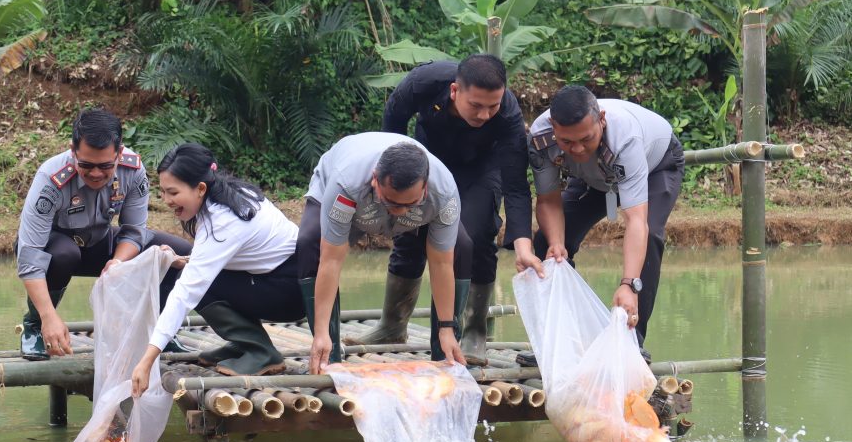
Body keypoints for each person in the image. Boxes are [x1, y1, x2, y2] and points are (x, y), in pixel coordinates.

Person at [368, 54, 544, 365]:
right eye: (476, 105)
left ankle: (475, 331)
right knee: (410, 229)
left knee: (475, 236)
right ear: (454, 91)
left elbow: (516, 184)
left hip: (480, 170)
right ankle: (392, 325)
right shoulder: (422, 83)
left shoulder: (508, 115)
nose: (486, 113)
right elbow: (392, 128)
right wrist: (397, 174)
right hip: (429, 159)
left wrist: (522, 244)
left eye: (493, 105)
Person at [15, 108, 191, 360]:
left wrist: (118, 262)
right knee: (64, 253)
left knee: (178, 253)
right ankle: (34, 329)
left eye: (105, 166)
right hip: (55, 248)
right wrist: (48, 317)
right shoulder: (51, 179)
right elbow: (30, 255)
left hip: (100, 241)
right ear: (73, 150)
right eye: (86, 165)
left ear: (119, 154)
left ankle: (160, 333)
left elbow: (134, 232)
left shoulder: (133, 170)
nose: (96, 173)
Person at [130, 143, 304, 394]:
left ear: (200, 188)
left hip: (290, 292)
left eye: (173, 192)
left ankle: (260, 351)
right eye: (163, 192)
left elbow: (185, 292)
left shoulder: (223, 222)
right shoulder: (229, 193)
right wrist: (188, 260)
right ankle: (245, 343)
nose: (166, 201)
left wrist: (147, 360)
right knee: (192, 273)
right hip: (282, 280)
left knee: (196, 284)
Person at [297, 132, 471, 375]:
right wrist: (321, 332)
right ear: (375, 179)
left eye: (409, 204)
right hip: (352, 200)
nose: (399, 212)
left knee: (462, 247)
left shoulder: (444, 194)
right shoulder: (345, 185)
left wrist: (447, 328)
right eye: (391, 202)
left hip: (421, 212)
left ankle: (446, 353)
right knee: (309, 244)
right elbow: (331, 260)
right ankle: (328, 352)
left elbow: (442, 263)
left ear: (425, 187)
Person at [528, 86, 684, 348]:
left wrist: (629, 285)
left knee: (651, 235)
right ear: (553, 127)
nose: (577, 148)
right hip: (593, 176)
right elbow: (548, 200)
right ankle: (561, 343)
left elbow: (636, 221)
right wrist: (557, 242)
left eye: (586, 138)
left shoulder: (626, 137)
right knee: (547, 241)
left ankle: (632, 343)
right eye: (567, 142)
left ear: (601, 119)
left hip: (656, 168)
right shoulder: (540, 137)